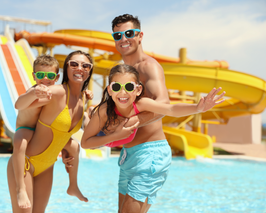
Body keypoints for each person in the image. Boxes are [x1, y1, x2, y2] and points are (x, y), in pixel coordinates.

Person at [82, 64, 225, 212]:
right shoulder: (104, 111)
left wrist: (197, 108)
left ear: (138, 90)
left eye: (129, 87)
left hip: (150, 156)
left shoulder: (141, 104)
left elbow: (170, 109)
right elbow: (85, 143)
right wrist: (117, 135)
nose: (123, 92)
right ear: (110, 89)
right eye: (117, 87)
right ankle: (87, 116)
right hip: (128, 157)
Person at [7, 50, 93, 212]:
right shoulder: (51, 92)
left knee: (74, 146)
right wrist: (32, 92)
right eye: (74, 64)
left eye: (85, 65)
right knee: (20, 140)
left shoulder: (81, 99)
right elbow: (19, 105)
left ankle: (73, 185)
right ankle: (21, 189)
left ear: (57, 76)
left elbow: (60, 131)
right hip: (26, 161)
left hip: (47, 166)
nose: (45, 80)